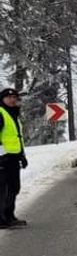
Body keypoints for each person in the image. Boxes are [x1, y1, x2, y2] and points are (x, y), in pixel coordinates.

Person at [0, 88, 28, 229]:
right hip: (3, 159)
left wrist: (22, 156)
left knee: (13, 188)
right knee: (3, 190)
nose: (12, 100)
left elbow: (17, 138)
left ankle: (9, 216)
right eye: (9, 97)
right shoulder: (0, 113)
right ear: (3, 99)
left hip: (13, 158)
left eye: (14, 97)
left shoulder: (13, 114)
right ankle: (1, 219)